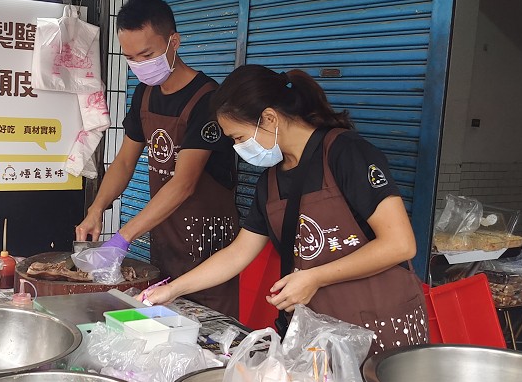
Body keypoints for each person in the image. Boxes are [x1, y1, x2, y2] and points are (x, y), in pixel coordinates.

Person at [142, 64, 428, 357]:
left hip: (383, 329)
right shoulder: (271, 181)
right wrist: (172, 290)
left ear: (268, 118)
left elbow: (400, 244)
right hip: (322, 335)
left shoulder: (346, 153)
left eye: (238, 138)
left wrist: (315, 277)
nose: (237, 148)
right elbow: (238, 253)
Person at [75, 0, 240, 317]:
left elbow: (183, 184)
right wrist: (96, 209)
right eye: (131, 57)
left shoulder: (208, 99)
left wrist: (123, 238)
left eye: (147, 54)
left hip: (207, 242)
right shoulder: (145, 93)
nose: (139, 65)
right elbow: (124, 161)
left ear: (173, 42)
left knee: (206, 330)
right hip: (165, 234)